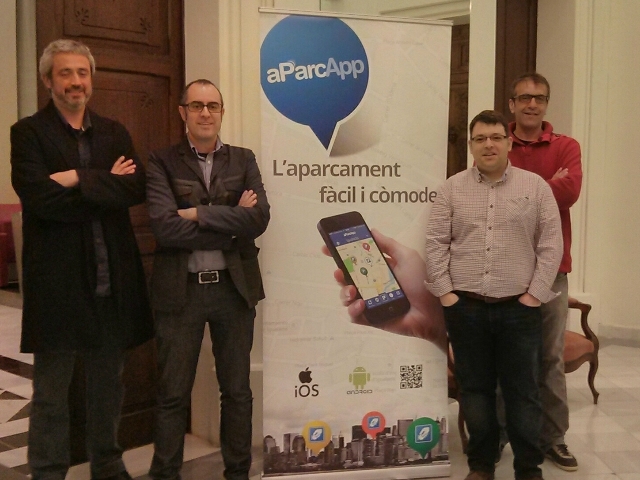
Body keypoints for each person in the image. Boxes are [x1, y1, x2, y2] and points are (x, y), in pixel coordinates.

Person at [10, 39, 153, 480]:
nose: (76, 81)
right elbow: (40, 199)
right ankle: (47, 471)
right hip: (57, 285)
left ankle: (107, 465)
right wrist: (104, 184)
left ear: (91, 79)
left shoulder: (113, 132)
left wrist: (75, 177)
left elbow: (135, 188)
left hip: (110, 283)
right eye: (65, 73)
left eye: (82, 73)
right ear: (48, 80)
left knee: (108, 388)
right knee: (51, 394)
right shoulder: (28, 133)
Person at [424, 110, 563, 480]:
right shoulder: (451, 189)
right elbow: (435, 244)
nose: (489, 144)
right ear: (471, 145)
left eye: (496, 137)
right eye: (481, 138)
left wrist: (534, 296)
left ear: (509, 142)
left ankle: (528, 468)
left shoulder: (536, 187)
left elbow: (551, 245)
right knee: (475, 391)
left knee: (524, 393)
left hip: (519, 309)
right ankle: (481, 465)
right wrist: (446, 295)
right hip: (465, 308)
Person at [146, 79, 270, 480]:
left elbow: (259, 219)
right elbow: (165, 228)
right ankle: (165, 474)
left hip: (234, 290)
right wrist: (232, 222)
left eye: (213, 106)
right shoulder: (162, 161)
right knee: (172, 394)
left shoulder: (243, 159)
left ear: (221, 112)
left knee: (236, 391)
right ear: (183, 112)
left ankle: (237, 473)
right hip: (180, 291)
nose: (205, 113)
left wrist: (198, 214)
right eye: (197, 105)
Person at [507, 72, 582, 472]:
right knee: (504, 355)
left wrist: (516, 188)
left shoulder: (567, 146)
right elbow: (487, 193)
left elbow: (570, 193)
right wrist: (546, 185)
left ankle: (554, 439)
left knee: (550, 358)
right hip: (504, 268)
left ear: (546, 104)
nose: (532, 104)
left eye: (539, 98)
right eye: (525, 98)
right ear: (512, 104)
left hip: (552, 269)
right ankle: (500, 435)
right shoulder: (497, 141)